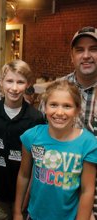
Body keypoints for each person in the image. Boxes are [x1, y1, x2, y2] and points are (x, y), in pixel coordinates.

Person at [14, 80, 97, 220]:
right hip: (36, 215)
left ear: (77, 110)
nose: (59, 112)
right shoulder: (32, 136)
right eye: (53, 105)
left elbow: (87, 190)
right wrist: (17, 212)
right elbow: (23, 175)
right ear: (44, 107)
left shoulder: (88, 143)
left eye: (67, 106)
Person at [39, 26, 97, 219]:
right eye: (80, 50)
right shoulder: (57, 89)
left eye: (93, 49)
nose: (86, 55)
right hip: (60, 186)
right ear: (72, 56)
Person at [0, 59, 45, 220]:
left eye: (20, 82)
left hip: (23, 193)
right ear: (1, 82)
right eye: (9, 81)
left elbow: (37, 161)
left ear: (28, 84)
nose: (14, 88)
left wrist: (28, 193)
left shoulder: (35, 118)